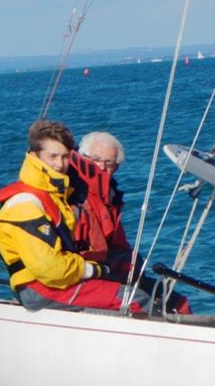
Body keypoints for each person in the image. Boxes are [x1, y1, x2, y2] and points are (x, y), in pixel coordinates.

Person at [0, 120, 149, 312]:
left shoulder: (58, 198)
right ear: (35, 156)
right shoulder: (25, 204)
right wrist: (94, 269)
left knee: (146, 293)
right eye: (53, 156)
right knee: (135, 299)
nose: (60, 164)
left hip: (59, 283)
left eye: (65, 157)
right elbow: (50, 269)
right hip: (40, 288)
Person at [70, 130, 191, 314]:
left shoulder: (110, 197)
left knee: (176, 301)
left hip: (110, 270)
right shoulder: (72, 193)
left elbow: (117, 244)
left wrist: (131, 264)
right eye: (96, 159)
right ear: (82, 156)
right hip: (85, 276)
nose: (102, 168)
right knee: (142, 304)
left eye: (109, 163)